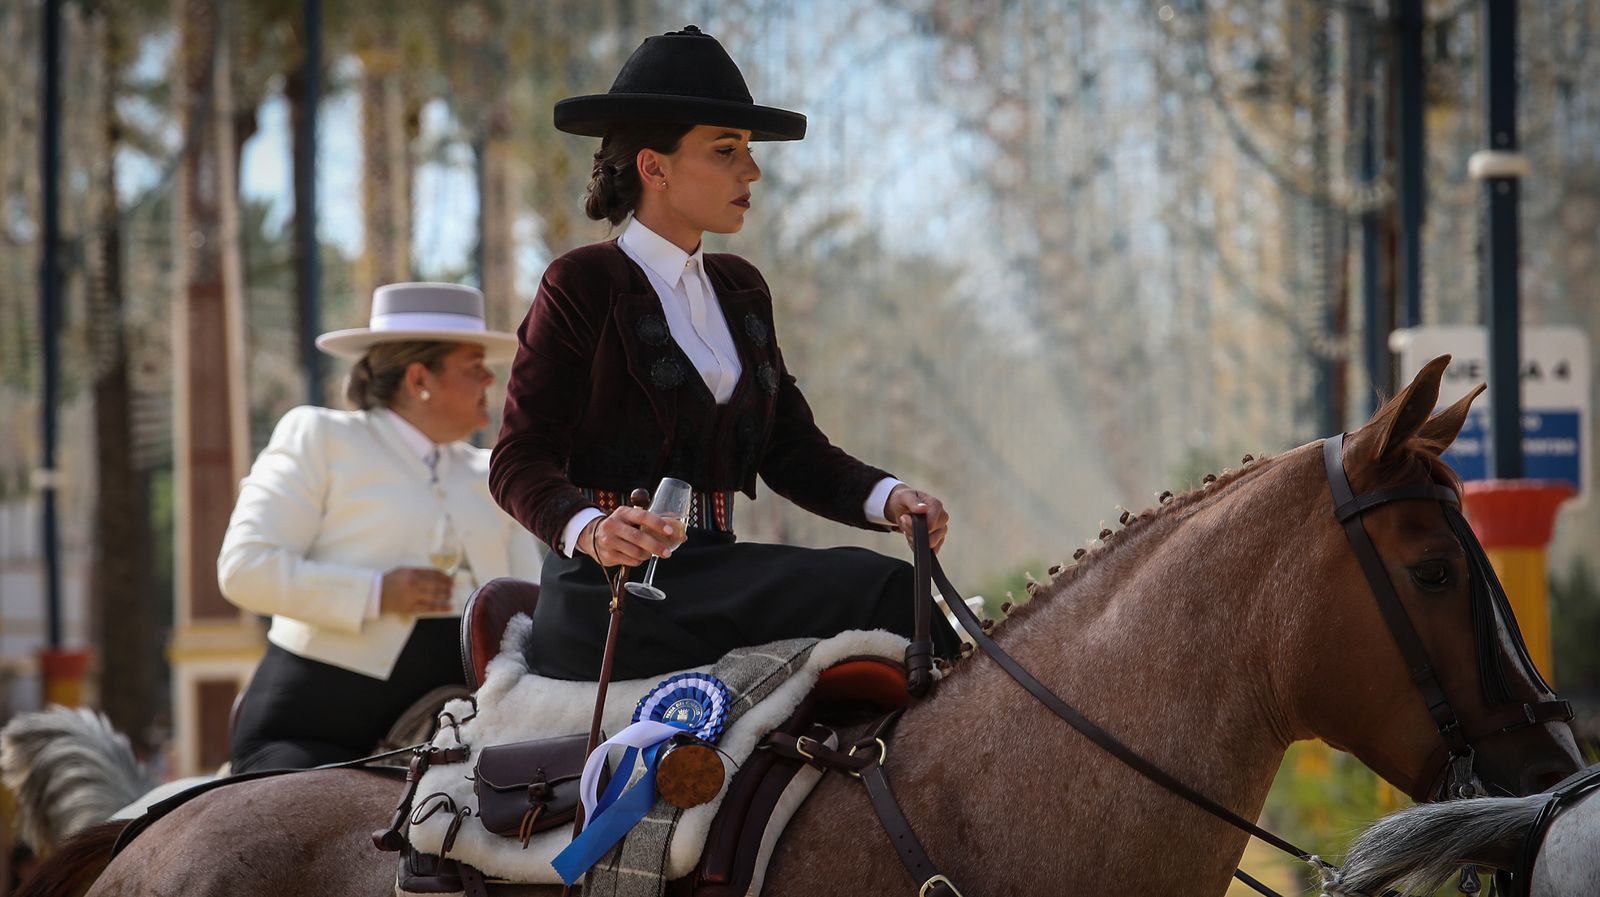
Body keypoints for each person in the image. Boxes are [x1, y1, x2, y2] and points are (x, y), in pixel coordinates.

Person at [490, 26, 958, 681]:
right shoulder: (580, 282)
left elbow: (791, 449)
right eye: (726, 149)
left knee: (897, 593)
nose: (752, 170)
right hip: (608, 593)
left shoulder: (743, 289)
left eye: (746, 150)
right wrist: (592, 529)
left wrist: (890, 498)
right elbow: (517, 459)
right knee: (883, 589)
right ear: (654, 166)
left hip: (716, 577)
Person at [219, 283, 544, 773]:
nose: (488, 381)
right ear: (419, 380)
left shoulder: (491, 474)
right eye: (473, 366)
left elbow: (529, 610)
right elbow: (244, 568)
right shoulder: (320, 437)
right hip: (316, 723)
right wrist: (375, 593)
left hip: (470, 732)